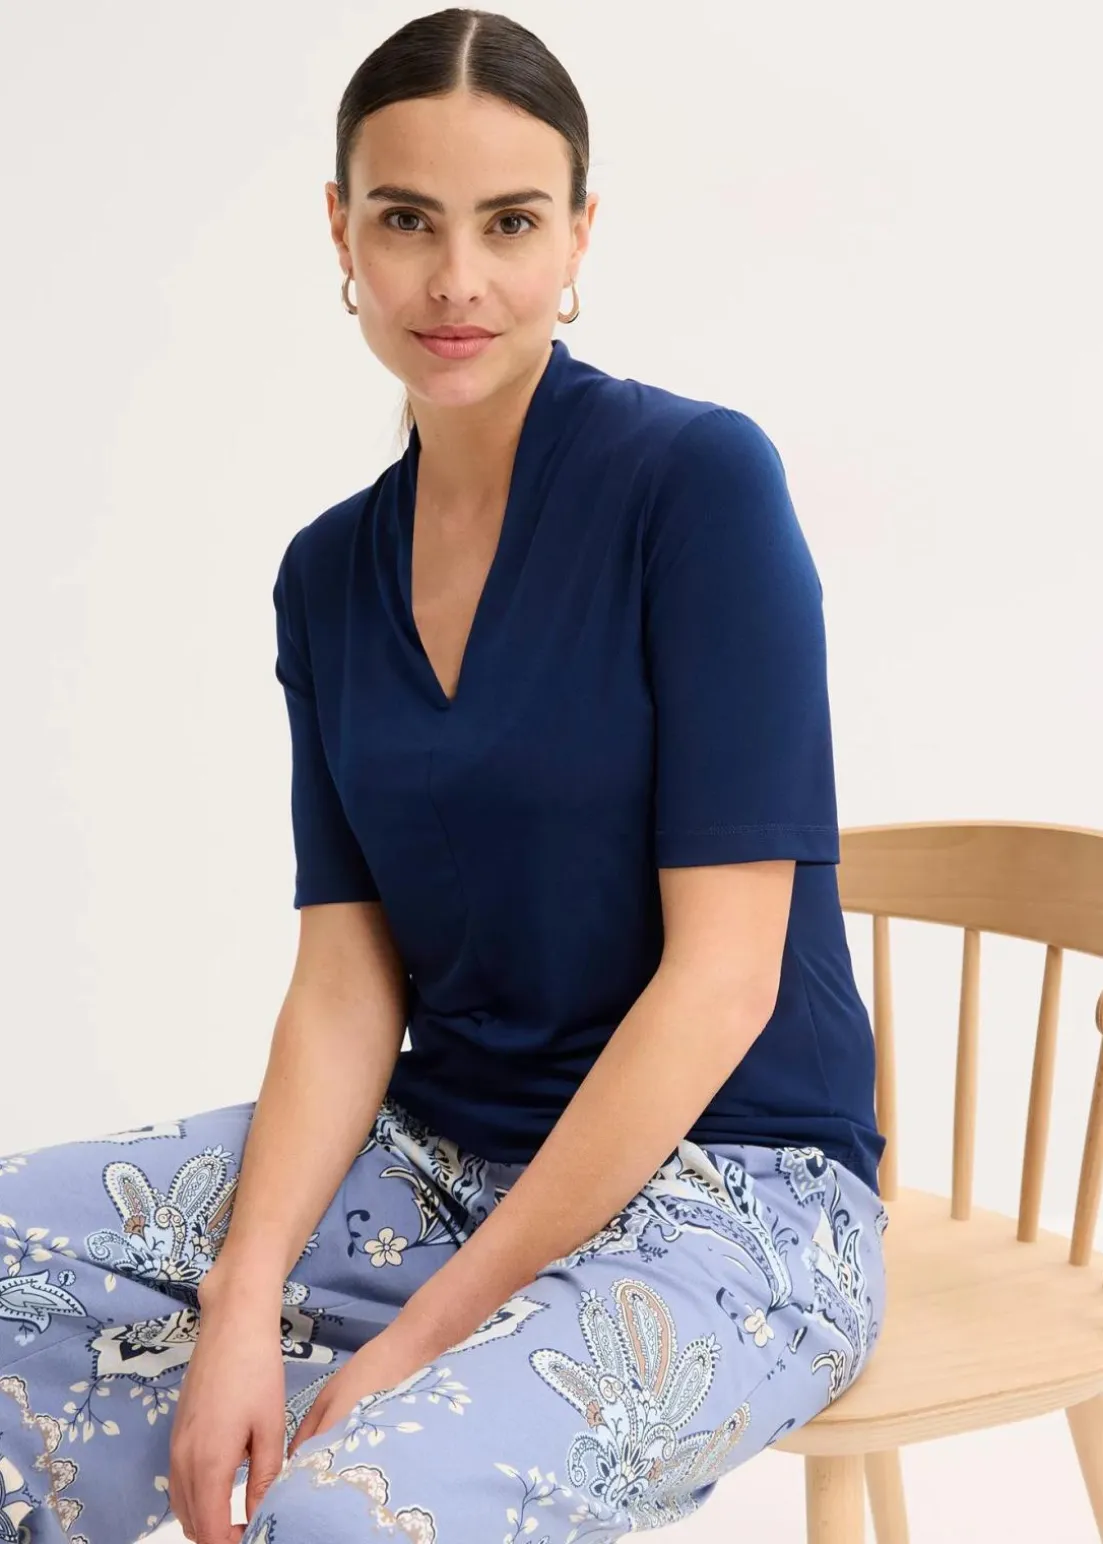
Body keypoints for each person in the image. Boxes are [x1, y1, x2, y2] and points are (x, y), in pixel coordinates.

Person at [0, 8, 890, 1542]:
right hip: (434, 1159)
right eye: (408, 220)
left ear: (578, 235)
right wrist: (240, 1300)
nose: (456, 279)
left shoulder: (695, 488)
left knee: (346, 1513)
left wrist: (419, 1339)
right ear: (341, 230)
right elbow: (347, 978)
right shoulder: (327, 575)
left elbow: (722, 983)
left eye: (510, 223)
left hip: (737, 1194)